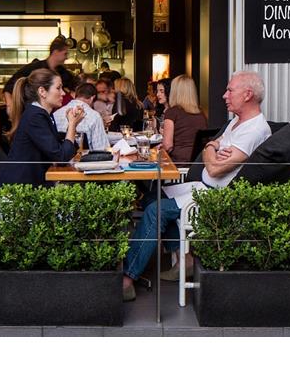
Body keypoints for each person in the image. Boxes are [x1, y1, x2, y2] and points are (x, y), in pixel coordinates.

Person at [121, 71, 271, 301]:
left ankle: (127, 279)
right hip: (201, 186)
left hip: (214, 197)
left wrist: (211, 149)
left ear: (248, 94)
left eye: (230, 90)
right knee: (152, 195)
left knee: (155, 210)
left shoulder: (255, 130)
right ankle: (185, 260)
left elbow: (215, 169)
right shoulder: (236, 123)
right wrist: (212, 147)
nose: (224, 95)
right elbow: (210, 147)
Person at [0, 69, 85, 186]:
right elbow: (61, 157)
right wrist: (72, 124)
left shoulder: (42, 114)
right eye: (58, 88)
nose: (63, 93)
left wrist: (72, 125)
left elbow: (60, 151)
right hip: (19, 188)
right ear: (42, 91)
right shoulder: (35, 116)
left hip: (32, 184)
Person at [2, 39, 78, 115]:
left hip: (51, 114)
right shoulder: (34, 67)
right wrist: (10, 104)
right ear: (56, 52)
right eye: (65, 54)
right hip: (30, 112)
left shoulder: (63, 72)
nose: (66, 57)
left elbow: (75, 86)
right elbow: (9, 86)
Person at [162, 75, 208, 165]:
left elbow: (168, 146)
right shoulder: (201, 113)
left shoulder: (172, 112)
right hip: (198, 162)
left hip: (178, 163)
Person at [53, 83, 108, 151]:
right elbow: (101, 149)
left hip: (61, 156)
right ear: (92, 98)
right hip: (84, 157)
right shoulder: (94, 116)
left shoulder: (56, 114)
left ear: (76, 96)